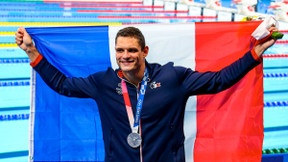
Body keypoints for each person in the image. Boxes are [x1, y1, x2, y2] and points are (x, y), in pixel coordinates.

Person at [15, 25, 277, 162]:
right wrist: (31, 52)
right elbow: (63, 85)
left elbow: (219, 81)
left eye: (131, 50)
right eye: (120, 51)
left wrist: (254, 54)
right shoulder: (103, 83)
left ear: (145, 51)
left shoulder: (173, 78)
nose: (125, 56)